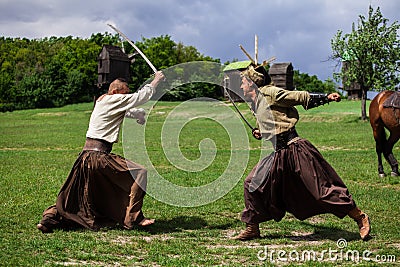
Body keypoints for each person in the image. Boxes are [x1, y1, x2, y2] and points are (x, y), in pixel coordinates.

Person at [232, 65, 371, 241]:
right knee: (251, 183)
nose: (241, 87)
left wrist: (325, 97)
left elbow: (297, 97)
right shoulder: (255, 103)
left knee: (321, 190)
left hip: (295, 148)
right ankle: (252, 227)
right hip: (276, 153)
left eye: (243, 82)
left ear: (252, 83)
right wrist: (261, 132)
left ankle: (359, 216)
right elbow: (273, 121)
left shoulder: (269, 93)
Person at [37, 72, 165, 233]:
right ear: (115, 92)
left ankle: (48, 219)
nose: (126, 97)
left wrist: (138, 114)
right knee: (139, 172)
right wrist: (156, 80)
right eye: (125, 93)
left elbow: (127, 110)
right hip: (99, 156)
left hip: (85, 157)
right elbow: (141, 97)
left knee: (74, 195)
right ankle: (134, 218)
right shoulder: (113, 99)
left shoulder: (104, 101)